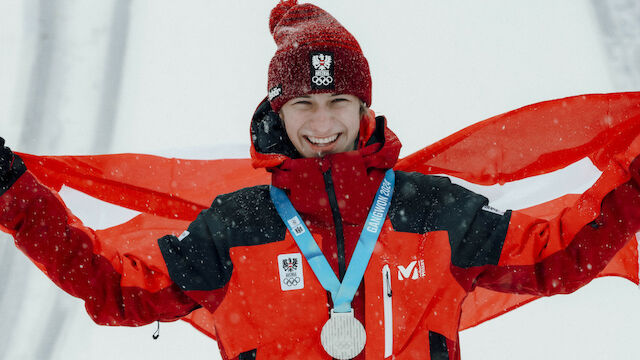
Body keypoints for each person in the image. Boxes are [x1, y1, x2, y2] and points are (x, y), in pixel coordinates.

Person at [2, 1, 640, 359]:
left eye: (339, 104)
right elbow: (115, 289)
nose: (323, 122)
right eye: (303, 104)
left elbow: (560, 257)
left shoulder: (433, 212)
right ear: (277, 113)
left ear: (366, 111)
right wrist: (15, 195)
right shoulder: (237, 226)